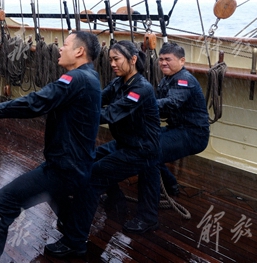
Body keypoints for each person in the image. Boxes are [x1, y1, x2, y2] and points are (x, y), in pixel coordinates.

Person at [0, 31, 102, 262]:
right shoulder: (91, 77)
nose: (60, 48)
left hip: (64, 168)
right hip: (75, 164)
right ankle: (75, 242)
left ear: (80, 51)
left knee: (2, 201)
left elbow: (38, 101)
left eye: (66, 45)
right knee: (56, 194)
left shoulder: (75, 79)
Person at [89, 40, 161, 234]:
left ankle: (147, 220)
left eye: (117, 59)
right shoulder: (118, 82)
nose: (113, 64)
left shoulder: (140, 89)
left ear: (133, 59)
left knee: (97, 172)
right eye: (110, 60)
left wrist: (80, 117)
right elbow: (98, 100)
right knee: (91, 157)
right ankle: (116, 200)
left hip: (142, 148)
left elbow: (111, 113)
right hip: (125, 142)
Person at [156, 43, 210, 196]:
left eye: (168, 59)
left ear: (182, 61)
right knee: (142, 143)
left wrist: (144, 104)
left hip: (193, 134)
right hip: (176, 128)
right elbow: (161, 107)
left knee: (150, 151)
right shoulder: (167, 79)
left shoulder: (184, 80)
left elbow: (172, 102)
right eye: (161, 59)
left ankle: (167, 186)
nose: (163, 63)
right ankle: (166, 184)